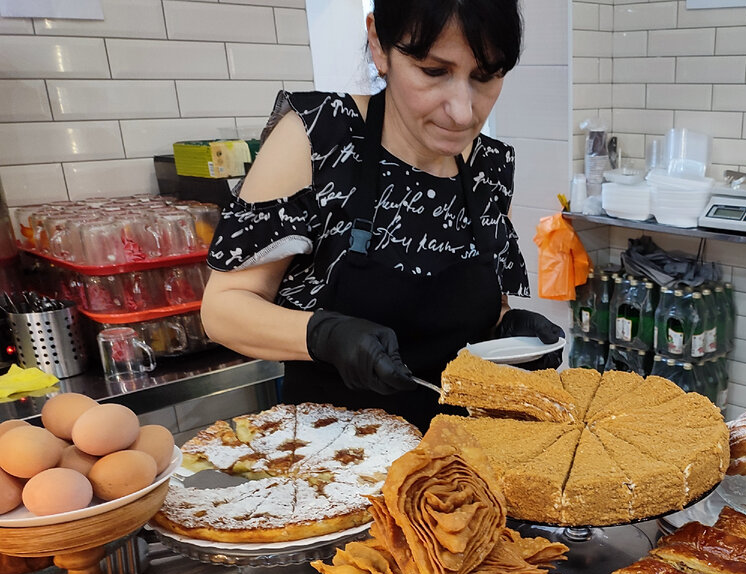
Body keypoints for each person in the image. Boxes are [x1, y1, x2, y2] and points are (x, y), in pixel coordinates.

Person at [200, 0, 563, 430]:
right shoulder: (321, 137)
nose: (464, 111)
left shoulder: (489, 166)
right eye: (433, 71)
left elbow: (485, 305)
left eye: (485, 77)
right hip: (337, 460)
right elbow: (222, 310)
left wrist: (509, 330)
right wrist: (325, 335)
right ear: (378, 44)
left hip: (464, 456)